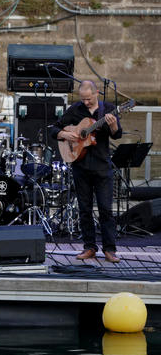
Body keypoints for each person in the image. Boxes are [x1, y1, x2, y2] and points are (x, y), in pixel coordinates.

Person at [49, 80, 122, 263]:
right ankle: (89, 247)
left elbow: (117, 134)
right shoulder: (75, 109)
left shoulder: (109, 109)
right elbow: (54, 130)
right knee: (84, 209)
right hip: (80, 166)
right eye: (83, 99)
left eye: (88, 99)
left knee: (106, 209)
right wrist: (66, 134)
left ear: (97, 93)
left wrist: (113, 125)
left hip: (102, 166)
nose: (86, 102)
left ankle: (109, 249)